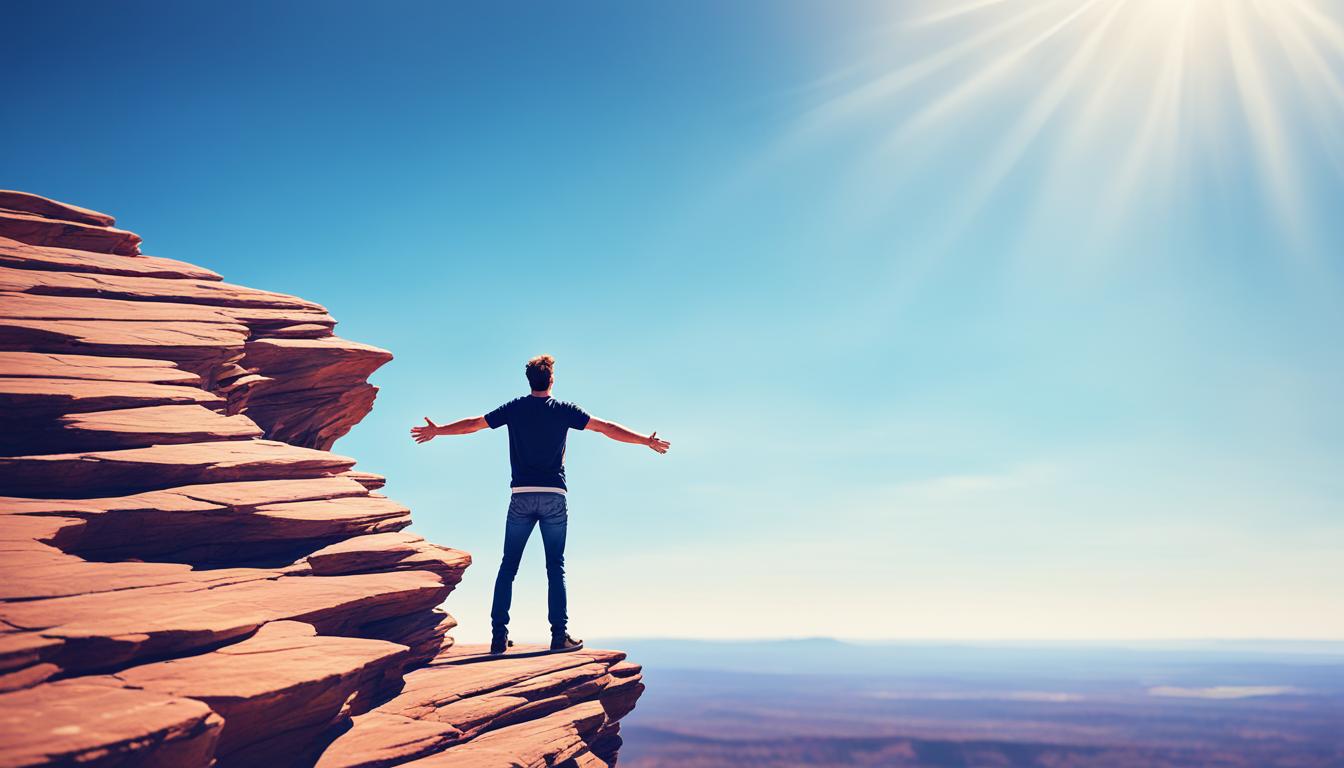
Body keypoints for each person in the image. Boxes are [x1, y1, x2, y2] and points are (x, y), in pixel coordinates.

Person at [411, 354, 670, 655]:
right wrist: (645, 441)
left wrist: (438, 430)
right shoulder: (563, 410)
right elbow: (606, 427)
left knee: (508, 566)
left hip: (521, 495)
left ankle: (498, 637)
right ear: (552, 380)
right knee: (554, 567)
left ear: (529, 379)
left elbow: (474, 424)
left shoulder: (515, 408)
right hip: (553, 497)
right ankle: (559, 636)